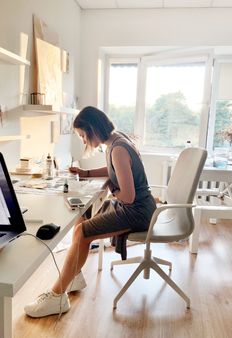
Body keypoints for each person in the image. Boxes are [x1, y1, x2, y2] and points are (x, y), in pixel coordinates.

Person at [24, 106, 156, 318]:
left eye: (84, 136)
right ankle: (74, 275)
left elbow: (128, 196)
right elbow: (115, 169)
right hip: (139, 206)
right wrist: (86, 173)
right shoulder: (116, 140)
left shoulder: (118, 148)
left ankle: (57, 297)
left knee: (83, 232)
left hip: (137, 211)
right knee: (82, 218)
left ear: (93, 129)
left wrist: (111, 187)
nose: (84, 141)